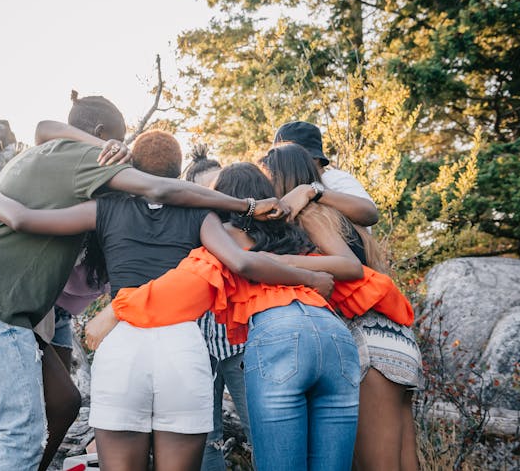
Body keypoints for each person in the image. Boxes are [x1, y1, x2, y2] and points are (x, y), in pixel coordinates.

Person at [0, 92, 286, 470]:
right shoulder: (103, 167)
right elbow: (187, 213)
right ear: (102, 133)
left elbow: (37, 160)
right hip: (169, 344)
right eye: (120, 138)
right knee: (18, 434)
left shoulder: (68, 176)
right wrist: (248, 209)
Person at [91, 162, 365, 471]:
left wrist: (116, 308)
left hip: (280, 334)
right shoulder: (298, 230)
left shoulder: (222, 240)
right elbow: (353, 264)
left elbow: (177, 288)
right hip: (334, 333)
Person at [261, 143, 423, 471]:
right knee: (406, 461)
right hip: (393, 336)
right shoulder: (341, 216)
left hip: (369, 343)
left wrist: (276, 261)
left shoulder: (311, 215)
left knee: (378, 465)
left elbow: (348, 264)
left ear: (280, 178)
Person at [183, 145, 252, 471]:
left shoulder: (242, 230)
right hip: (196, 343)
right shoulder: (186, 226)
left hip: (238, 341)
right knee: (204, 433)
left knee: (257, 423)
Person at [272, 121, 378, 228]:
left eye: (290, 158)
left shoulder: (333, 178)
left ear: (316, 159)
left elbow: (370, 213)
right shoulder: (282, 188)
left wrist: (313, 192)